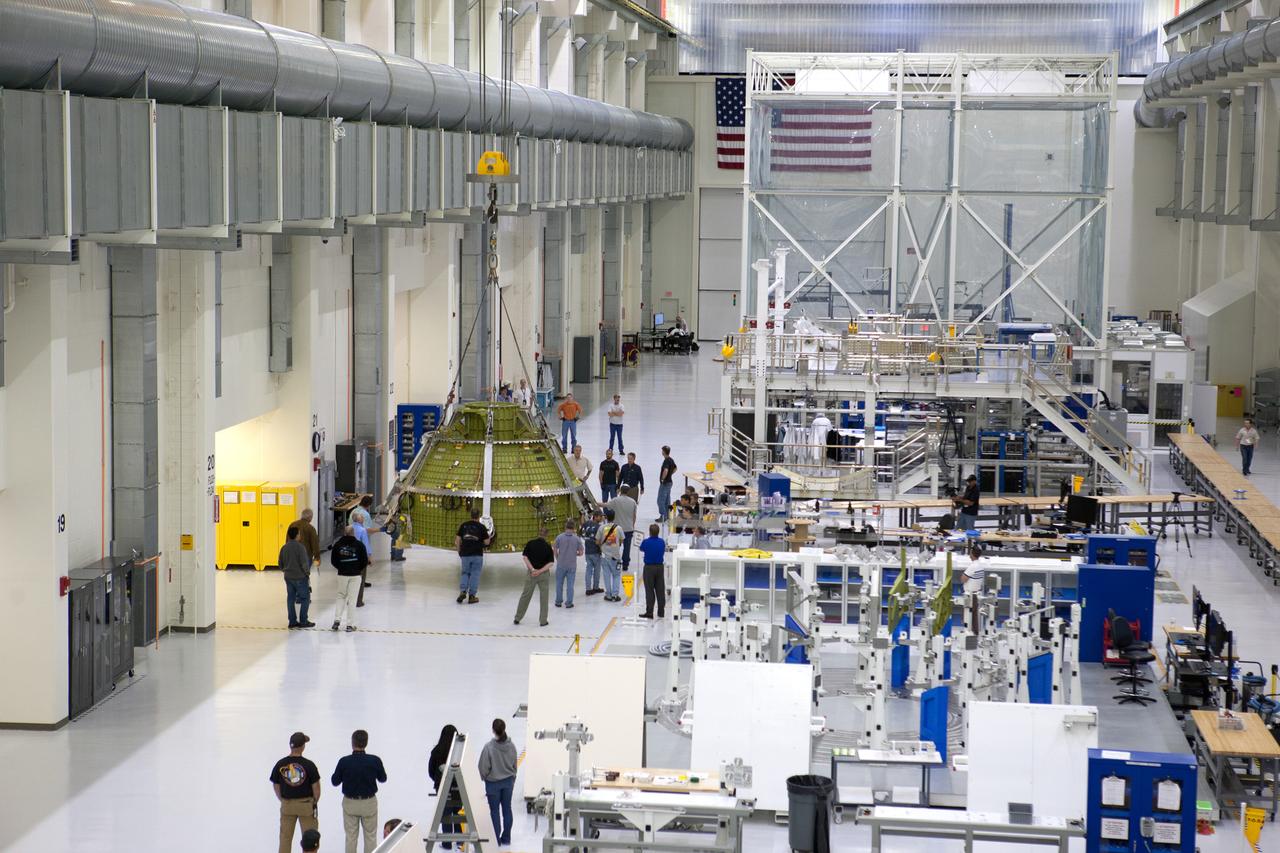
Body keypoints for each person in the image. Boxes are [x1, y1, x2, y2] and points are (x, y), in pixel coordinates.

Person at [331, 729, 387, 853]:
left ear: (352, 743)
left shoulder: (344, 761)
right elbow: (383, 779)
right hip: (369, 802)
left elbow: (335, 782)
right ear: (366, 743)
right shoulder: (375, 760)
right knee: (370, 836)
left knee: (351, 837)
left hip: (350, 803)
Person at [271, 731, 321, 853]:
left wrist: (282, 798)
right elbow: (317, 789)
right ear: (303, 746)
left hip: (287, 805)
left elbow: (275, 784)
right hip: (305, 805)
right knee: (309, 839)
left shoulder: (280, 764)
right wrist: (313, 802)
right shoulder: (309, 765)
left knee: (285, 838)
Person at [478, 718, 518, 846]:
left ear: (493, 731)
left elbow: (483, 768)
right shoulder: (511, 746)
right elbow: (514, 765)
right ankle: (506, 838)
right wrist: (512, 778)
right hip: (508, 783)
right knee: (507, 809)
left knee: (494, 811)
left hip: (493, 784)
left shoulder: (489, 748)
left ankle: (496, 839)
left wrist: (485, 777)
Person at [429, 725, 462, 849]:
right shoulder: (459, 752)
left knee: (445, 813)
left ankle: (447, 842)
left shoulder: (436, 751)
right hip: (458, 787)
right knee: (458, 812)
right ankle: (460, 839)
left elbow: (431, 771)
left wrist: (438, 781)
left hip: (442, 787)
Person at [330, 526, 368, 632]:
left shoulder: (337, 545)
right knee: (352, 599)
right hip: (355, 575)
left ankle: (336, 620)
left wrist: (341, 567)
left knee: (340, 596)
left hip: (342, 575)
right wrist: (357, 569)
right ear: (353, 533)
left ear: (344, 533)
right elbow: (364, 561)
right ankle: (350, 625)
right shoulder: (359, 545)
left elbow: (333, 560)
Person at [514, 530, 554, 626]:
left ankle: (517, 618)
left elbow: (525, 557)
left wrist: (532, 569)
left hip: (531, 574)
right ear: (546, 536)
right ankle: (543, 621)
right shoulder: (548, 547)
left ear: (538, 534)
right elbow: (551, 563)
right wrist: (540, 571)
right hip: (543, 575)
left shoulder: (530, 543)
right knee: (544, 598)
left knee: (525, 596)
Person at [280, 525, 315, 629]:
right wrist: (307, 573)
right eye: (299, 534)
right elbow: (304, 563)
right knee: (305, 598)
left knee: (290, 598)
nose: (300, 535)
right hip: (300, 577)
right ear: (296, 535)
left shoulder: (284, 547)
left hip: (288, 577)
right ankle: (303, 621)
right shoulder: (300, 547)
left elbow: (280, 563)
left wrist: (285, 570)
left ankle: (292, 621)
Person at [455, 509, 492, 604]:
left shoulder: (463, 525)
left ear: (470, 515)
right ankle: (472, 596)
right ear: (479, 516)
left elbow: (457, 540)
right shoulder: (482, 527)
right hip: (477, 554)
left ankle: (463, 591)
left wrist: (459, 551)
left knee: (465, 573)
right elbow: (487, 542)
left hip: (465, 553)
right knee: (475, 574)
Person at [606, 486, 639, 573]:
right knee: (627, 548)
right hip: (628, 528)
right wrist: (632, 525)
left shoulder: (616, 500)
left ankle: (614, 561)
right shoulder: (633, 502)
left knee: (614, 545)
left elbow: (606, 506)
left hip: (616, 528)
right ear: (628, 491)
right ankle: (625, 565)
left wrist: (596, 503)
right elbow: (634, 516)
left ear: (620, 490)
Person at [553, 519, 584, 608]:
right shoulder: (577, 539)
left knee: (559, 584)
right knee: (570, 585)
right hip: (572, 565)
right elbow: (581, 553)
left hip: (561, 564)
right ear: (574, 528)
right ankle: (569, 603)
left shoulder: (559, 537)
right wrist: (575, 553)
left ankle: (558, 602)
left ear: (565, 527)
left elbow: (555, 549)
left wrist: (557, 558)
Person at [638, 524, 667, 619]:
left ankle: (650, 612)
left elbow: (641, 548)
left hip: (649, 568)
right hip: (660, 567)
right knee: (660, 590)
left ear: (650, 532)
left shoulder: (646, 542)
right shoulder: (662, 542)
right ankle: (661, 612)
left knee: (649, 590)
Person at [596, 509, 624, 601]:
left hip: (604, 556)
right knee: (616, 575)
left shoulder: (602, 528)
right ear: (614, 517)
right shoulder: (618, 528)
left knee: (606, 575)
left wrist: (602, 546)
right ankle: (615, 595)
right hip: (615, 556)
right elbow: (621, 540)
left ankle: (608, 595)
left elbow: (597, 541)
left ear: (606, 517)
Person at [581, 510, 604, 597]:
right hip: (596, 551)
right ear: (596, 516)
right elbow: (600, 540)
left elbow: (582, 523)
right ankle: (596, 587)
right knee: (597, 570)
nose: (601, 518)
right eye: (600, 516)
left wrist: (582, 515)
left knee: (588, 570)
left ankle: (588, 589)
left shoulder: (587, 524)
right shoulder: (599, 527)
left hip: (588, 551)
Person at [656, 446, 677, 523]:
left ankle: (663, 516)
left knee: (660, 500)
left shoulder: (666, 461)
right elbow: (675, 468)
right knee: (667, 500)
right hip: (670, 482)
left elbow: (665, 470)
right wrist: (670, 475)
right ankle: (667, 515)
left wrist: (663, 478)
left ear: (664, 452)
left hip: (665, 483)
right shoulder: (671, 460)